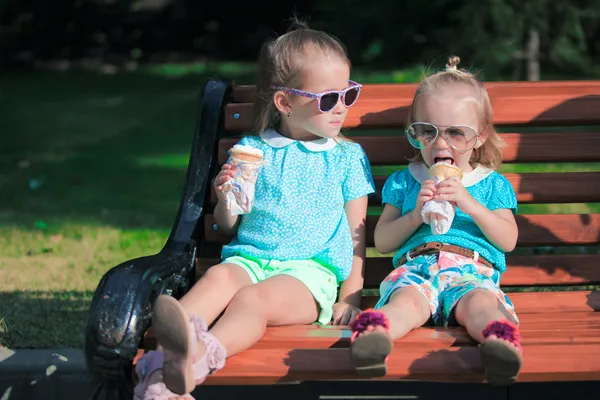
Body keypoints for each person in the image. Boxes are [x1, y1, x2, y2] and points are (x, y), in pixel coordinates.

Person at [133, 19, 375, 399]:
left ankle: (194, 365)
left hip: (309, 274)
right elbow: (229, 227)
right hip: (249, 260)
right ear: (285, 102)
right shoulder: (252, 151)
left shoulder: (346, 157)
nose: (340, 108)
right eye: (328, 99)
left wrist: (351, 295)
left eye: (348, 94)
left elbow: (357, 232)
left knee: (252, 301)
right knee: (216, 280)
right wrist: (227, 196)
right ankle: (162, 377)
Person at [349, 56, 522, 385]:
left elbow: (508, 240)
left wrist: (469, 203)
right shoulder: (405, 181)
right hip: (417, 269)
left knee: (480, 303)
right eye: (427, 131)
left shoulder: (492, 183)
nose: (440, 144)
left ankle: (500, 342)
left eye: (456, 133)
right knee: (406, 303)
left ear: (480, 137)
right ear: (414, 132)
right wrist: (415, 214)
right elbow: (383, 242)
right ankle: (374, 336)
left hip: (472, 271)